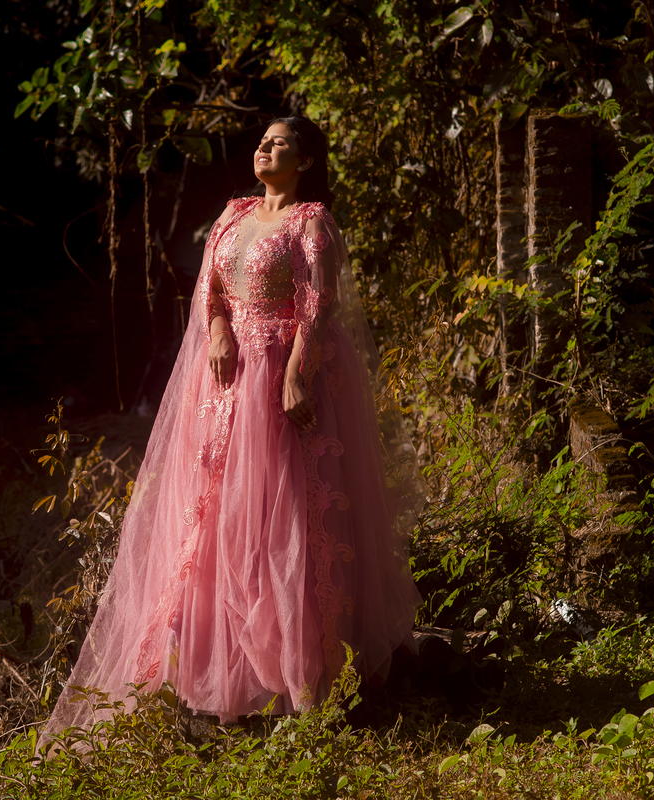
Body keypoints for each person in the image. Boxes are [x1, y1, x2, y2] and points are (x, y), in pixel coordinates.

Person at [43, 116, 424, 740]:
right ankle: (220, 677)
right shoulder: (233, 214)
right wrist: (218, 330)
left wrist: (295, 374)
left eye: (280, 144)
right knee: (220, 519)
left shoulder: (311, 222)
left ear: (304, 162)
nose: (264, 148)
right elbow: (208, 288)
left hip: (280, 379)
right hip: (224, 388)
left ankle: (303, 681)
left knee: (287, 517)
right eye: (263, 141)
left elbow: (320, 304)